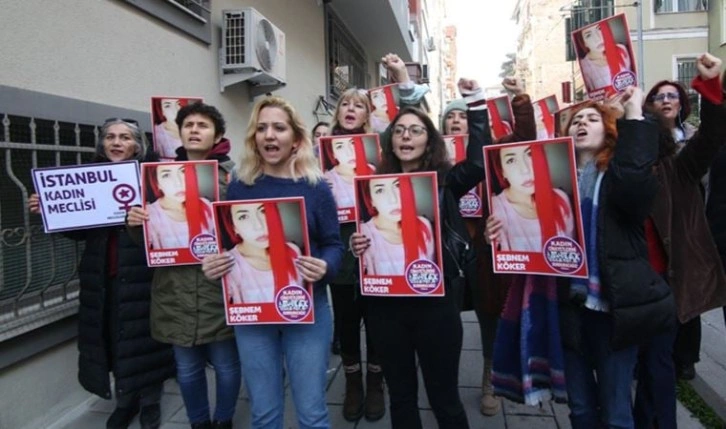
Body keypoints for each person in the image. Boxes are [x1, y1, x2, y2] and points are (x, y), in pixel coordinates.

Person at [351, 77, 490, 428]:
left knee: (445, 398)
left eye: (415, 130)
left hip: (437, 307)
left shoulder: (446, 181)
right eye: (399, 131)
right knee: (401, 398)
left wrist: (475, 103)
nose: (406, 136)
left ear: (430, 139)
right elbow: (368, 241)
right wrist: (358, 246)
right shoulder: (372, 189)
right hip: (386, 309)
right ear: (391, 141)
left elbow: (477, 163)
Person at [200, 96, 344, 429]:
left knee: (312, 413)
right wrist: (213, 266)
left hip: (307, 311)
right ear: (253, 138)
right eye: (261, 128)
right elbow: (225, 246)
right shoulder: (238, 187)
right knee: (264, 414)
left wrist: (326, 266)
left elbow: (335, 245)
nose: (269, 135)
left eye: (279, 128)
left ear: (295, 138)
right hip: (253, 316)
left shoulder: (316, 187)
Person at [29, 118, 175, 429]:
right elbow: (80, 233)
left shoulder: (151, 178)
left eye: (124, 137)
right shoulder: (87, 178)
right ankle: (125, 402)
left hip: (141, 276)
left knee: (145, 341)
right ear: (102, 144)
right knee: (112, 340)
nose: (116, 142)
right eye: (110, 136)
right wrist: (51, 210)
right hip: (103, 278)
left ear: (137, 145)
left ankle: (150, 401)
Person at [555, 88, 672, 428]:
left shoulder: (620, 176)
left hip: (611, 310)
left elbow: (637, 182)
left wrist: (634, 112)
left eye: (592, 119)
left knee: (616, 410)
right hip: (570, 306)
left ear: (608, 130)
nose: (582, 123)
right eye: (575, 120)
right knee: (579, 409)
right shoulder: (554, 185)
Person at [327, 52, 428, 422]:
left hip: (379, 244)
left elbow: (410, 122)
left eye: (359, 105)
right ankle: (352, 382)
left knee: (380, 318)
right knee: (347, 320)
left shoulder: (382, 147)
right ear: (338, 113)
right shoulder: (322, 151)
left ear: (369, 114)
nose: (351, 109)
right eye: (345, 104)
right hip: (338, 245)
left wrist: (401, 78)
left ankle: (376, 382)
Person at [127, 103, 241, 429]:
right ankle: (199, 423)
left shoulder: (234, 178)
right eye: (188, 124)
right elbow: (145, 242)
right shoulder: (157, 178)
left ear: (217, 135)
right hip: (173, 289)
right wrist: (136, 223)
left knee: (227, 365)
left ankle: (224, 420)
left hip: (218, 289)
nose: (194, 130)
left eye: (202, 125)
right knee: (187, 368)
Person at [633, 53, 726, 429]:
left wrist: (712, 86)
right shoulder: (622, 172)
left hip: (669, 284)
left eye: (673, 96)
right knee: (641, 367)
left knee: (659, 365)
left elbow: (712, 136)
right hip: (631, 287)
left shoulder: (682, 164)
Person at [442, 76, 537, 416]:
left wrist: (519, 98)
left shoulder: (494, 151)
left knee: (489, 315)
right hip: (450, 251)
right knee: (446, 320)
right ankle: (442, 379)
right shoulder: (436, 156)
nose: (457, 122)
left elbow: (527, 137)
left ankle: (489, 376)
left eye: (464, 117)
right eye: (451, 117)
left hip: (486, 248)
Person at [644, 79, 701, 381]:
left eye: (672, 96)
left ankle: (685, 358)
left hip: (687, 226)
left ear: (682, 103)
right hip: (656, 226)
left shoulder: (694, 139)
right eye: (658, 96)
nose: (665, 100)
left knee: (688, 295)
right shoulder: (643, 138)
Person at [488, 143, 575, 252]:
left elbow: (573, 257)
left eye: (530, 154)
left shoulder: (560, 198)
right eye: (511, 160)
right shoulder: (497, 208)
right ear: (502, 171)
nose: (525, 170)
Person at [220, 201, 303, 304]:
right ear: (234, 228)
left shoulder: (292, 251)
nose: (259, 226)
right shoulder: (228, 264)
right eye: (243, 217)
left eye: (263, 211)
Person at [358, 176, 435, 276]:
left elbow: (432, 275)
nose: (393, 200)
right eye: (380, 190)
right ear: (371, 201)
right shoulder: (364, 234)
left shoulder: (423, 225)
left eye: (398, 185)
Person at [144, 163, 215, 250]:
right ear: (157, 183)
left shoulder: (205, 204)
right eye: (166, 175)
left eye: (183, 171)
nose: (178, 183)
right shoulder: (148, 214)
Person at [574, 23, 632, 91]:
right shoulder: (584, 66)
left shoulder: (620, 49)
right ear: (584, 43)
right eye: (588, 35)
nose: (598, 38)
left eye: (599, 29)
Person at [322, 136, 375, 209]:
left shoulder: (371, 169)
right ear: (333, 154)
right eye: (340, 146)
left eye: (352, 143)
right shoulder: (328, 179)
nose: (349, 152)